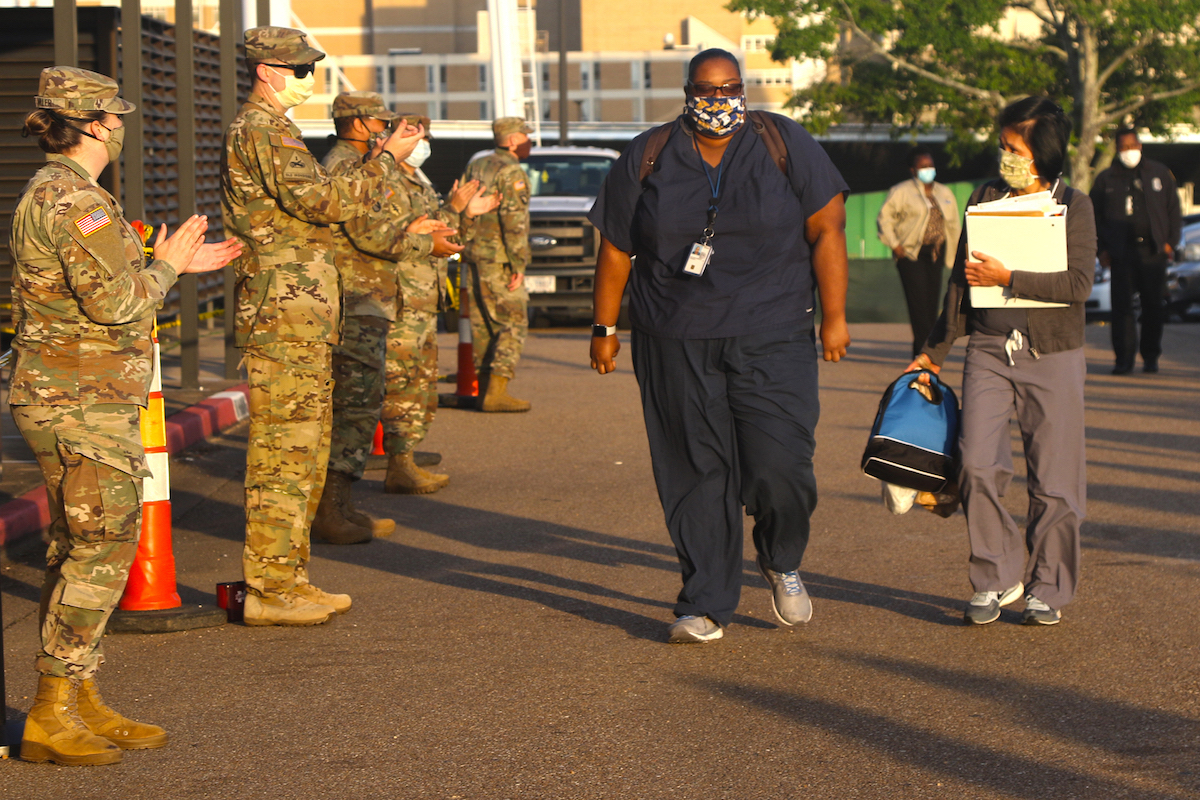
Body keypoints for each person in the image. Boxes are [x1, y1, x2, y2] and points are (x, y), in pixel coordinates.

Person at [10, 66, 241, 765]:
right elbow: (116, 304)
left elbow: (103, 285)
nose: (120, 126)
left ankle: (78, 696)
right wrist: (168, 266)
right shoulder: (76, 201)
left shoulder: (69, 195)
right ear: (90, 124)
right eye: (114, 116)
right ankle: (52, 712)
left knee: (79, 549)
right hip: (78, 400)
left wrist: (172, 264)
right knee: (100, 551)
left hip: (77, 395)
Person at [588, 48, 850, 644]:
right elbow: (617, 248)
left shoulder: (783, 143)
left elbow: (827, 227)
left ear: (745, 89)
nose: (719, 99)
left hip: (774, 329)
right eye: (707, 89)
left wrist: (834, 316)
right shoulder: (649, 153)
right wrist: (605, 330)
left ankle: (781, 557)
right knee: (695, 469)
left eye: (730, 87)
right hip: (674, 336)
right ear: (687, 93)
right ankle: (704, 602)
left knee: (780, 465)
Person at [221, 28, 423, 623]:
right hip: (282, 313)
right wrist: (382, 161)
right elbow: (324, 203)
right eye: (300, 70)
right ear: (267, 70)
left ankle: (289, 577)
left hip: (302, 313)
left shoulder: (274, 129)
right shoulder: (260, 128)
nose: (308, 81)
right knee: (283, 454)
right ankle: (270, 589)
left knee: (304, 452)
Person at [910, 97, 1095, 627]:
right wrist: (932, 352)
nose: (1004, 155)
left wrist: (1010, 278)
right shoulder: (985, 197)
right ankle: (997, 574)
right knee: (974, 463)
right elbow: (959, 284)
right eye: (1003, 145)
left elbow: (1078, 285)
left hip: (1053, 353)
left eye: (1013, 147)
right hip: (989, 349)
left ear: (1041, 152)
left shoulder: (1074, 205)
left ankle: (1049, 586)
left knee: (1056, 481)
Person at [382, 114, 499, 491]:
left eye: (426, 137)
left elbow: (436, 232)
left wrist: (460, 212)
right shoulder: (382, 178)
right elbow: (388, 235)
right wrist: (452, 210)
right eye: (415, 136)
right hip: (399, 295)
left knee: (418, 383)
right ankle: (397, 463)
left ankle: (405, 459)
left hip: (421, 294)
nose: (423, 145)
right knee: (399, 384)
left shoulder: (416, 179)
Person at [1090, 127, 1182, 374]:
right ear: (1117, 150)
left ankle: (1151, 357)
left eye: (1132, 147)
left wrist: (1169, 242)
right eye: (1123, 148)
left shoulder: (1159, 173)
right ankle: (1123, 360)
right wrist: (1101, 250)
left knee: (1153, 306)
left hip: (1153, 252)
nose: (1128, 152)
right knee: (1122, 310)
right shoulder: (1105, 179)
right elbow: (1093, 218)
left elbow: (1174, 210)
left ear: (1140, 147)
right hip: (1120, 254)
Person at [459, 117, 534, 412]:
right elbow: (514, 221)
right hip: (500, 258)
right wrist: (519, 264)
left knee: (483, 324)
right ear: (513, 140)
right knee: (514, 322)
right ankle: (497, 389)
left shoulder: (477, 165)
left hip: (475, 255)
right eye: (526, 136)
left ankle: (484, 389)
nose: (530, 142)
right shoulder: (512, 171)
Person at [877, 146, 961, 357]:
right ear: (913, 170)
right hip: (911, 254)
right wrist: (895, 245)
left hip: (937, 253)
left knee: (933, 304)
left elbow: (954, 225)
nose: (928, 169)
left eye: (930, 165)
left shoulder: (944, 192)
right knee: (918, 305)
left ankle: (925, 353)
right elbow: (884, 219)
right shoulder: (901, 191)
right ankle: (924, 354)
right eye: (923, 166)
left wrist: (959, 252)